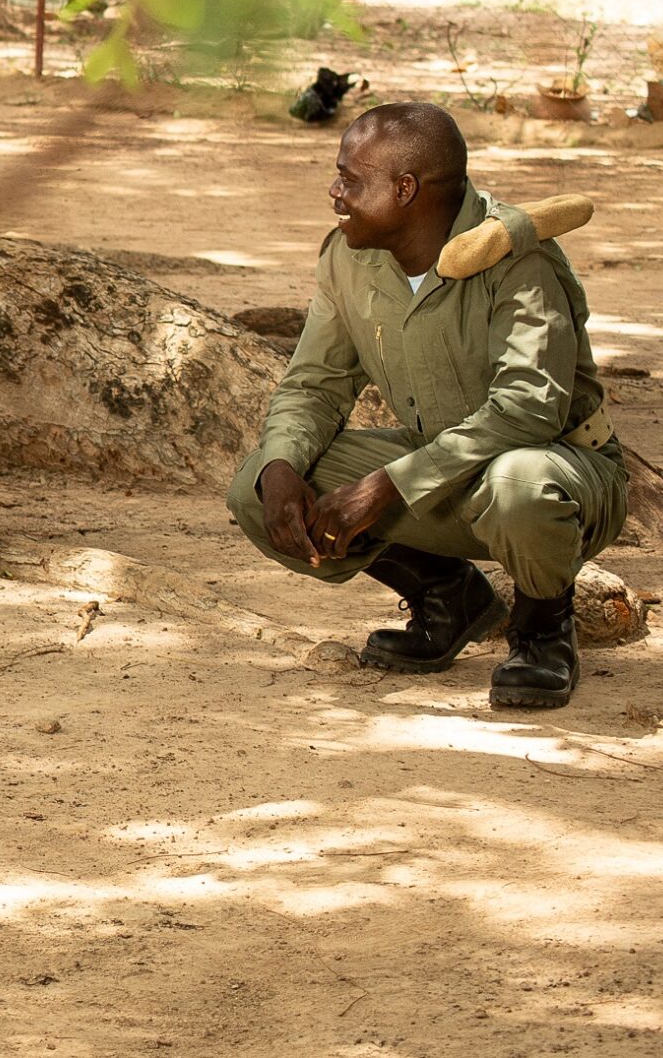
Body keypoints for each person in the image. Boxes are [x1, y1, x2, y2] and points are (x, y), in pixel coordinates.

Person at [226, 103, 625, 708]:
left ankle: (544, 629)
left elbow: (526, 412)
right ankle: (449, 600)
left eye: (350, 179)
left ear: (405, 189)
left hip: (558, 468)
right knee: (259, 485)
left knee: (519, 482)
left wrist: (388, 485)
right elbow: (314, 384)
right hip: (442, 466)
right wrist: (281, 466)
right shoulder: (348, 257)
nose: (335, 192)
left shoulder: (521, 260)